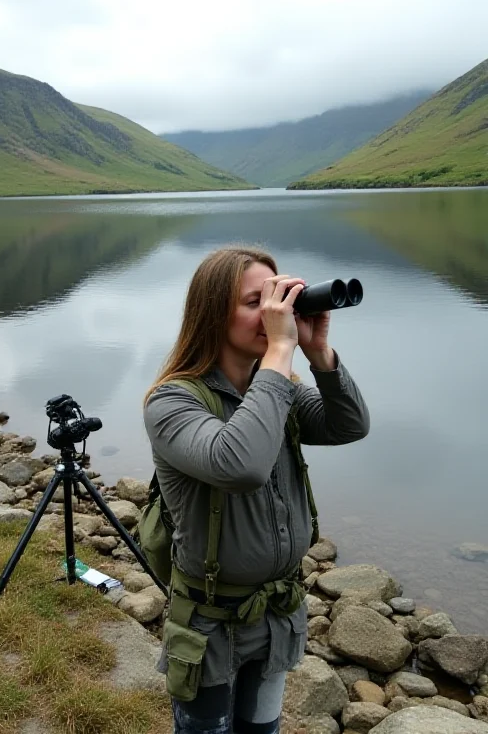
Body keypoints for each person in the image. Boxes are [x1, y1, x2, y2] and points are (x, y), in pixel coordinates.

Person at [143, 246, 370, 734]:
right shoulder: (173, 401)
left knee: (262, 731)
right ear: (211, 314)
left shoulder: (275, 390)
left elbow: (348, 425)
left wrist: (317, 353)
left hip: (278, 616)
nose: (276, 313)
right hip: (208, 623)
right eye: (258, 302)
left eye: (281, 299)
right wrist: (279, 352)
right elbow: (240, 464)